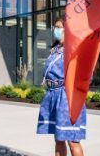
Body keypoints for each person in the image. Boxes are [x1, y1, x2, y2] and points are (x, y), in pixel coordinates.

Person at [37, 18, 85, 156]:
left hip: (66, 96)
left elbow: (84, 72)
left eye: (59, 27)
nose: (55, 30)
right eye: (55, 27)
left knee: (72, 140)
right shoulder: (55, 49)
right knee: (58, 138)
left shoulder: (73, 49)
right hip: (53, 94)